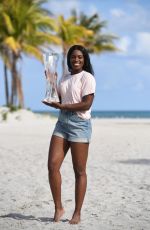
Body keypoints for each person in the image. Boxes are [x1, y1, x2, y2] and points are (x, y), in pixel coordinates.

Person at [42, 44, 96, 224]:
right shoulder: (65, 76)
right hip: (62, 122)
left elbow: (86, 104)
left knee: (79, 171)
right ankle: (59, 207)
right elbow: (59, 99)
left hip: (79, 124)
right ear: (69, 59)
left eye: (80, 57)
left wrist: (62, 106)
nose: (76, 60)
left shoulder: (87, 77)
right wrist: (51, 82)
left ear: (84, 59)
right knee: (52, 166)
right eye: (73, 57)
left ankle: (77, 213)